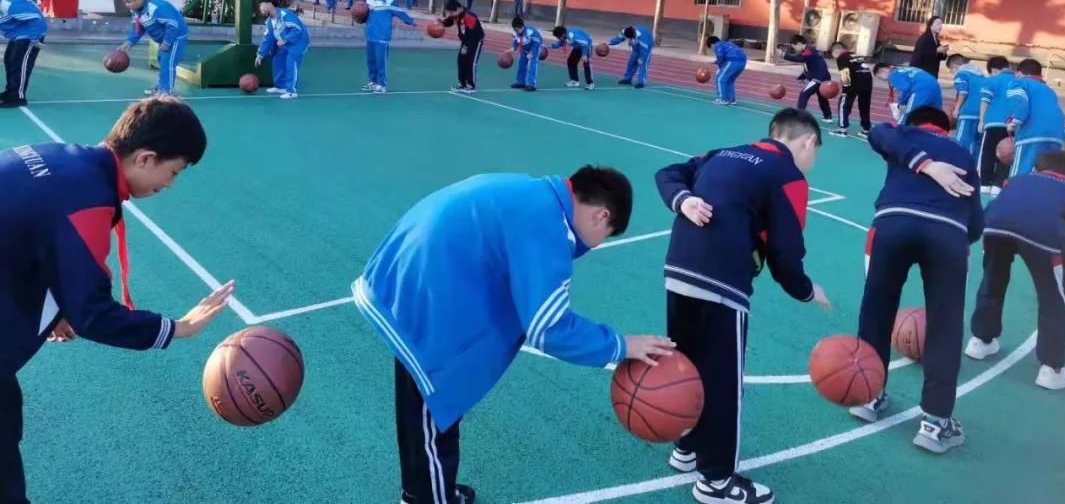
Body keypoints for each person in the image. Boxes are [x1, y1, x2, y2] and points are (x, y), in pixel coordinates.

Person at [352, 166, 673, 504]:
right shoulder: (547, 225)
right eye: (606, 234)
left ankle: (432, 488)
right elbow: (548, 328)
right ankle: (426, 498)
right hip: (425, 290)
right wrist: (621, 344)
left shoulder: (533, 193)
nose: (595, 245)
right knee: (433, 401)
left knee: (427, 406)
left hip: (411, 269)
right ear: (600, 215)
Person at [0, 97, 236, 504]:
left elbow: (26, 234)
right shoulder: (88, 200)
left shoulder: (62, 158)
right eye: (173, 172)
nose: (169, 185)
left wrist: (60, 296)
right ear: (145, 158)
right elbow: (93, 315)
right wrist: (179, 328)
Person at [655, 108, 832, 504]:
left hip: (679, 267)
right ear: (808, 142)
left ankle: (686, 447)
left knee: (686, 364)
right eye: (814, 153)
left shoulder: (723, 153)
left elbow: (667, 174)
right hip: (723, 281)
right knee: (722, 382)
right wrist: (805, 290)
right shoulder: (788, 176)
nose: (811, 162)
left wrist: (682, 200)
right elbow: (786, 252)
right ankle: (715, 482)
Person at [851, 106, 983, 456]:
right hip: (950, 237)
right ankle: (936, 424)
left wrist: (920, 162)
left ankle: (869, 395)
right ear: (946, 128)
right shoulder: (965, 155)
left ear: (913, 123)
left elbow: (878, 132)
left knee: (876, 311)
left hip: (893, 224)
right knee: (944, 326)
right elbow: (976, 224)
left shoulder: (903, 136)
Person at [966, 150, 1065, 390]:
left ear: (1036, 170)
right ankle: (1051, 369)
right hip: (1042, 237)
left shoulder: (1019, 179)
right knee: (1052, 298)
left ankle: (980, 341)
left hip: (994, 226)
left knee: (992, 281)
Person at [117, 0, 189, 96]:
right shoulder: (136, 11)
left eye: (129, 2)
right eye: (125, 2)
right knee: (161, 59)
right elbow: (138, 29)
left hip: (175, 37)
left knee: (168, 63)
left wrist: (167, 42)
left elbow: (173, 25)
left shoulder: (156, 7)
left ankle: (166, 93)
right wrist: (128, 43)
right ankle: (161, 87)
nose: (127, 5)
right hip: (163, 38)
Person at [1006, 58, 1065, 177]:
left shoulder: (1018, 82)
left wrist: (1013, 123)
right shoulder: (1049, 90)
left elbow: (1021, 103)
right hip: (1056, 136)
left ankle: (1014, 194)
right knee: (1046, 174)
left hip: (1032, 133)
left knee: (1021, 172)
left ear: (1018, 73)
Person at [363, 0, 415, 93]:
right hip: (370, 35)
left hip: (382, 36)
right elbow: (365, 15)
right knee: (370, 60)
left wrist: (411, 21)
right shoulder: (369, 0)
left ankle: (382, 84)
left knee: (381, 61)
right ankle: (373, 81)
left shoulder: (389, 0)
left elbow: (399, 12)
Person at [255, 0, 310, 100]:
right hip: (285, 43)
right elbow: (268, 38)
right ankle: (280, 87)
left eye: (261, 5)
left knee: (291, 62)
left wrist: (285, 39)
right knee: (277, 59)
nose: (260, 8)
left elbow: (298, 29)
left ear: (270, 4)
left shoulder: (285, 14)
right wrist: (260, 54)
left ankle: (291, 91)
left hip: (299, 42)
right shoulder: (270, 22)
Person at [0, 0, 46, 108]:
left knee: (20, 64)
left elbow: (36, 18)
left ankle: (17, 97)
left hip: (31, 34)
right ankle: (11, 91)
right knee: (9, 60)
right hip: (18, 33)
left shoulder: (10, 5)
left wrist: (35, 39)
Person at [977, 56, 1013, 194]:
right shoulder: (1019, 81)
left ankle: (984, 184)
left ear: (993, 70)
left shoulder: (992, 80)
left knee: (987, 153)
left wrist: (982, 120)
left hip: (993, 123)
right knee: (1007, 154)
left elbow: (985, 100)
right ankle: (998, 186)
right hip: (1011, 124)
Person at [778, 34, 832, 122]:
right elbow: (808, 67)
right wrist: (802, 77)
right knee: (822, 97)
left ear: (799, 43)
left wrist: (783, 55)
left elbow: (799, 59)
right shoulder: (810, 51)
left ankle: (799, 116)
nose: (794, 49)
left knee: (804, 94)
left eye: (794, 47)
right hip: (824, 77)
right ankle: (828, 116)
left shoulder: (808, 51)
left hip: (818, 78)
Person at [872, 63, 943, 124]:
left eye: (880, 78)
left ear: (882, 71)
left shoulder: (893, 75)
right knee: (936, 113)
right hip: (935, 84)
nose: (884, 80)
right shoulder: (905, 70)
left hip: (921, 87)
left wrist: (900, 103)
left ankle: (900, 132)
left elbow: (906, 89)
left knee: (910, 114)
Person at [830, 41, 873, 139]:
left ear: (836, 51)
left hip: (855, 82)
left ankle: (842, 130)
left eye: (833, 55)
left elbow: (845, 74)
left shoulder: (841, 57)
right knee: (864, 106)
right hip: (867, 81)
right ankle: (866, 130)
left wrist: (845, 90)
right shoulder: (855, 55)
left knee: (844, 104)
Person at [946, 54, 986, 157]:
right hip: (982, 114)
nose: (952, 72)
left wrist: (957, 108)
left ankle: (959, 164)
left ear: (955, 66)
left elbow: (963, 92)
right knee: (977, 144)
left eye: (951, 70)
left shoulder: (961, 74)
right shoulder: (981, 76)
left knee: (961, 142)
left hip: (968, 112)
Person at [443, 0, 484, 93]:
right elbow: (449, 21)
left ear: (458, 9)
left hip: (475, 40)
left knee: (471, 62)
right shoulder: (457, 14)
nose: (451, 14)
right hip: (466, 40)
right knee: (461, 60)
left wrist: (465, 47)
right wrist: (441, 23)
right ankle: (461, 83)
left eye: (451, 12)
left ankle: (471, 85)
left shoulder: (469, 16)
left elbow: (472, 34)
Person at [551, 25, 596, 91]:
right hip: (578, 47)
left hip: (586, 46)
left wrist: (584, 55)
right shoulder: (565, 35)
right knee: (571, 61)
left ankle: (590, 83)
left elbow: (585, 44)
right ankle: (575, 81)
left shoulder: (573, 35)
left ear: (562, 35)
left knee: (586, 63)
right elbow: (559, 43)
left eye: (558, 37)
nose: (557, 39)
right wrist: (549, 46)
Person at [706, 35, 747, 106]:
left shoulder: (717, 45)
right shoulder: (726, 43)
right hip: (742, 61)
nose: (712, 50)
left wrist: (719, 68)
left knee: (720, 79)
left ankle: (723, 99)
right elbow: (725, 56)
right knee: (729, 80)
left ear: (712, 44)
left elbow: (720, 57)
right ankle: (731, 99)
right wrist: (716, 62)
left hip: (733, 61)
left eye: (710, 47)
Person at [510, 17, 543, 92]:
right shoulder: (514, 32)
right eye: (514, 29)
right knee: (521, 64)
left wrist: (532, 53)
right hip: (524, 50)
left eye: (517, 30)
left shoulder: (531, 32)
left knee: (532, 65)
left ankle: (531, 84)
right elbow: (515, 41)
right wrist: (513, 48)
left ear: (522, 27)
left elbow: (537, 43)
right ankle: (520, 82)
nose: (516, 31)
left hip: (534, 49)